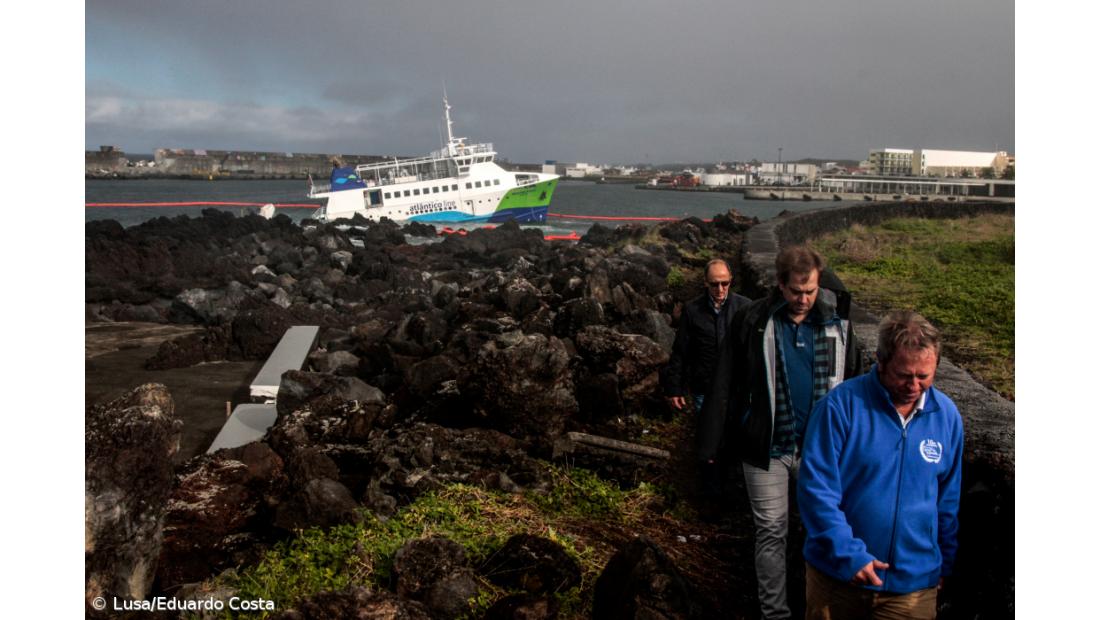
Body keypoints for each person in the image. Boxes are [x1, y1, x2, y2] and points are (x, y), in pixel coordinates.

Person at [702, 245, 862, 619]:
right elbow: (726, 380)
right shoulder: (754, 318)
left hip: (821, 452)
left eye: (810, 291)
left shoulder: (837, 323)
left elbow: (853, 380)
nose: (803, 299)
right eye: (795, 292)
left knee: (823, 531)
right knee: (772, 531)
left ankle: (818, 608)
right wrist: (712, 442)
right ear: (779, 285)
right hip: (765, 446)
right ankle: (775, 614)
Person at [798, 311, 963, 619]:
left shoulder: (947, 417)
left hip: (912, 586)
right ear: (881, 361)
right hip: (838, 580)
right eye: (904, 374)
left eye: (924, 376)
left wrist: (944, 563)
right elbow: (816, 490)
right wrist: (848, 554)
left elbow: (947, 500)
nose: (914, 385)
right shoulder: (840, 407)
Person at [661, 258, 750, 498]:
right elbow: (681, 351)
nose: (720, 290)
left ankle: (733, 493)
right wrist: (674, 388)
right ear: (705, 284)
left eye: (725, 283)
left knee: (736, 439)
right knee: (709, 441)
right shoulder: (692, 311)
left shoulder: (745, 309)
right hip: (705, 387)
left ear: (731, 281)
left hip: (736, 388)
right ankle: (710, 495)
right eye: (714, 285)